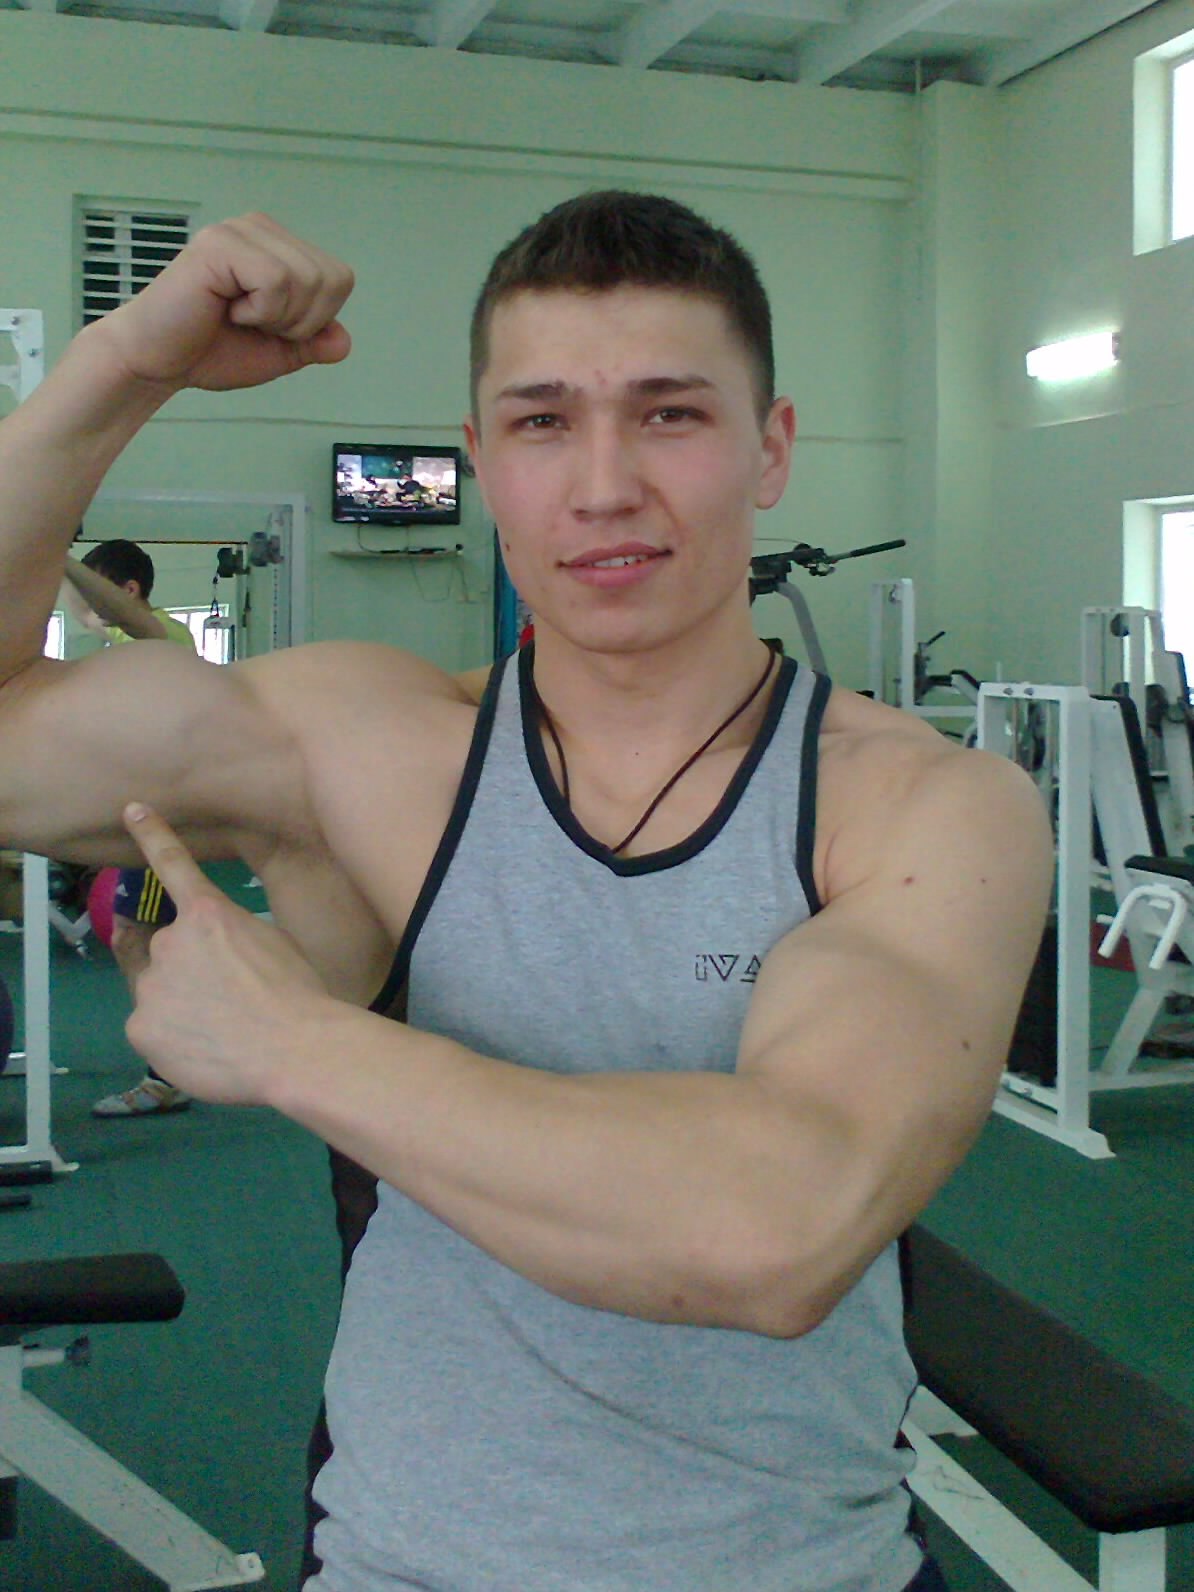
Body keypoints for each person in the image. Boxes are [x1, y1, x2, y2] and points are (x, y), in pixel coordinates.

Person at [0, 196, 1051, 1592]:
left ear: (771, 447)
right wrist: (122, 361)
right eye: (543, 422)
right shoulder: (361, 748)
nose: (603, 485)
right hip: (407, 1562)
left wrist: (292, 1045)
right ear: (483, 461)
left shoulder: (926, 806)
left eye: (669, 414)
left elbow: (779, 1227)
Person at [61, 540, 197, 1115]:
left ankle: (167, 1074)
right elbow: (89, 615)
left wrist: (64, 561)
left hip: (166, 819)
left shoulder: (166, 633)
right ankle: (181, 1059)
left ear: (129, 591)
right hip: (143, 816)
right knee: (146, 940)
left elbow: (134, 624)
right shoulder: (119, 642)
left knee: (134, 938)